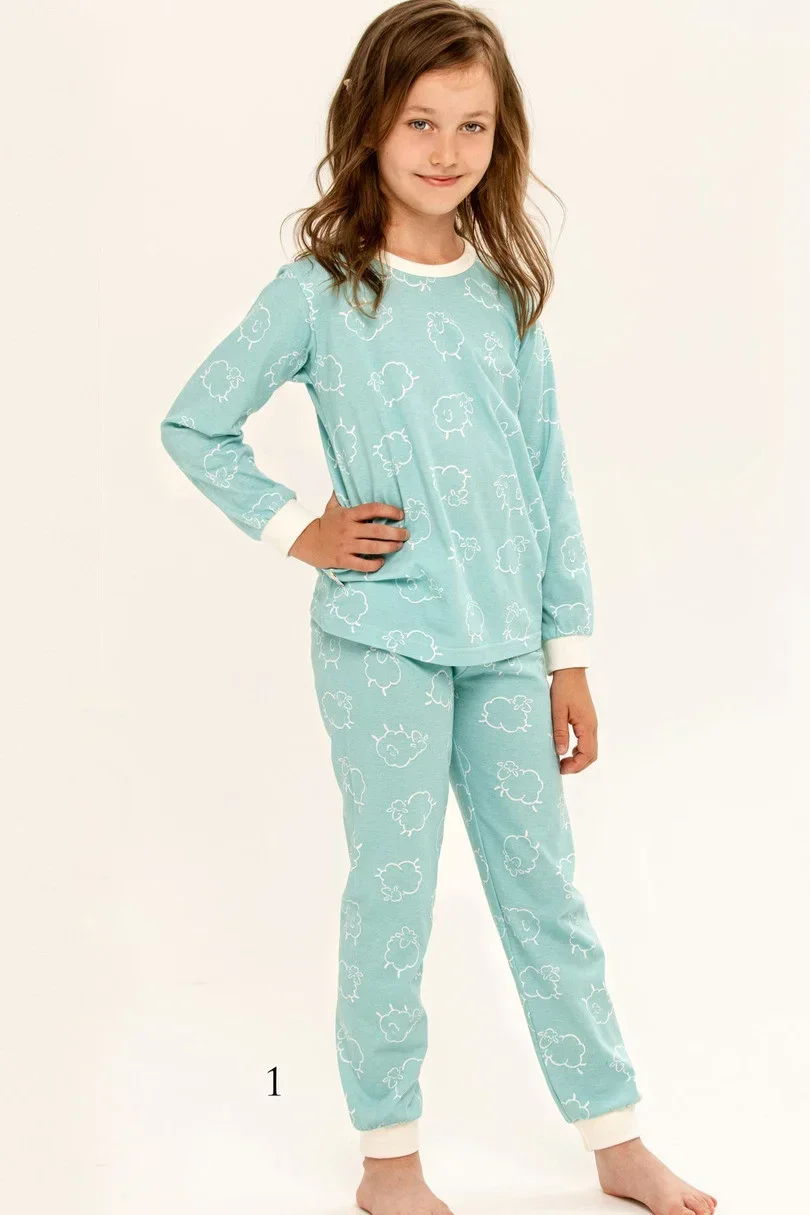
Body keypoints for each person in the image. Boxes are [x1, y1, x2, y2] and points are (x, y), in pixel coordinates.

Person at [159, 3, 718, 1213]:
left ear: (500, 138)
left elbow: (546, 479)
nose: (446, 149)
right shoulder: (321, 292)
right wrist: (298, 529)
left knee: (546, 894)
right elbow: (194, 422)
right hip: (383, 642)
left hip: (506, 645)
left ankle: (615, 1135)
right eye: (420, 122)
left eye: (472, 125)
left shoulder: (503, 294)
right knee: (394, 898)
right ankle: (389, 1160)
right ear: (369, 124)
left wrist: (568, 655)